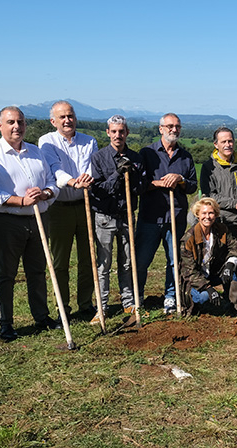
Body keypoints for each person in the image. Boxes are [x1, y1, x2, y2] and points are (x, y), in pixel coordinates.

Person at [0, 107, 61, 341]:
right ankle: (6, 324)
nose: (17, 127)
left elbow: (53, 182)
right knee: (6, 273)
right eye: (11, 122)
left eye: (20, 122)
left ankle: (41, 317)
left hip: (39, 219)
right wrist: (21, 201)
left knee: (37, 271)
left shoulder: (36, 152)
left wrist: (44, 193)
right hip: (7, 221)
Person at [38, 101, 98, 319]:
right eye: (62, 117)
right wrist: (73, 181)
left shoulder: (89, 141)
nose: (67, 120)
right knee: (60, 261)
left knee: (88, 258)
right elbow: (54, 169)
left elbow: (92, 167)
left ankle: (86, 303)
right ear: (53, 121)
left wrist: (87, 178)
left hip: (85, 206)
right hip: (59, 207)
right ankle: (62, 307)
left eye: (70, 116)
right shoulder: (47, 141)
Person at [136, 113, 198, 314]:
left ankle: (171, 297)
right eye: (170, 126)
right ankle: (137, 297)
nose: (174, 130)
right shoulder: (147, 153)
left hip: (176, 216)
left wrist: (179, 179)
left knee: (174, 260)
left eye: (177, 126)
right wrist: (159, 183)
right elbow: (138, 185)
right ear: (161, 128)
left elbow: (192, 186)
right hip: (150, 217)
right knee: (142, 260)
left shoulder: (186, 157)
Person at [88, 115, 145, 323]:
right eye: (114, 131)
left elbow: (140, 188)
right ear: (108, 133)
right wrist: (118, 174)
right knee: (104, 264)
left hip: (127, 215)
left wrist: (133, 174)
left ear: (127, 133)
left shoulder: (136, 158)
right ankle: (101, 308)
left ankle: (129, 303)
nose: (118, 135)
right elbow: (99, 190)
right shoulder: (98, 158)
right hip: (105, 217)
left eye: (121, 131)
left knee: (128, 262)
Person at [199, 127, 237, 314]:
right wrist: (234, 203)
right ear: (216, 144)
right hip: (222, 222)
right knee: (226, 261)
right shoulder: (209, 167)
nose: (228, 144)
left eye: (230, 141)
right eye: (223, 141)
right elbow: (209, 195)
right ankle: (225, 300)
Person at [180, 198, 237, 314]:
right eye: (204, 213)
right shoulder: (189, 239)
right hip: (195, 279)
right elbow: (189, 272)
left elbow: (235, 247)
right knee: (204, 297)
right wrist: (208, 288)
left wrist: (230, 264)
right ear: (197, 215)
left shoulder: (222, 230)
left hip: (214, 272)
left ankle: (234, 304)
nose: (207, 217)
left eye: (211, 213)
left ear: (216, 214)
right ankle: (195, 303)